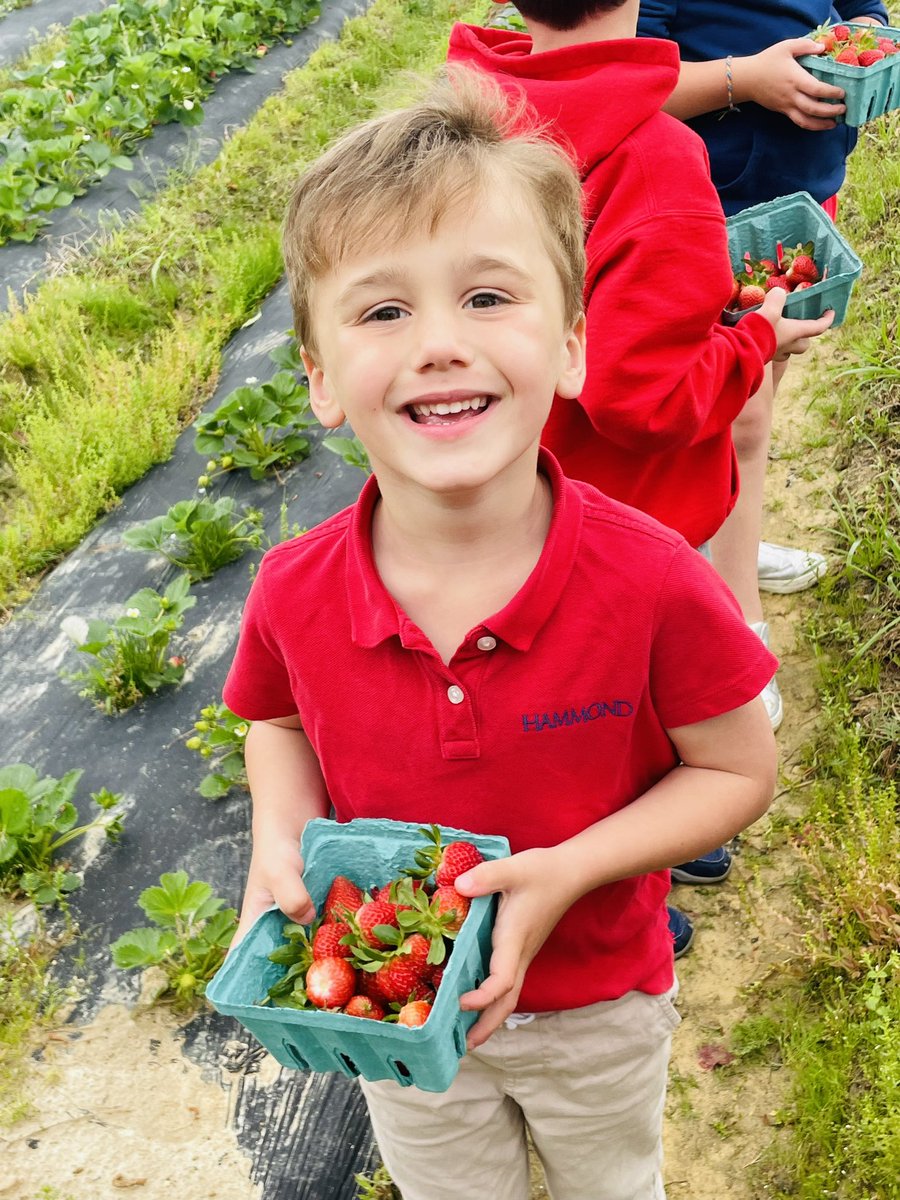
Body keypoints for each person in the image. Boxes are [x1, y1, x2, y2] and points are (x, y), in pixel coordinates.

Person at [223, 72, 778, 1199]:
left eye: (488, 298)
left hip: (598, 1006)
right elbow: (275, 719)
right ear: (323, 380)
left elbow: (736, 769)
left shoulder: (654, 581)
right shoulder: (294, 592)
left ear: (572, 346)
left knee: (611, 1184)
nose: (438, 344)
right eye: (384, 311)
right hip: (403, 1021)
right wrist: (279, 839)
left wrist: (569, 872)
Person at [446, 0, 832, 942]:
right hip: (625, 516)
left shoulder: (477, 108)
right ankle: (628, 884)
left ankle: (600, 859)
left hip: (522, 484)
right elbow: (643, 400)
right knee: (626, 712)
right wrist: (751, 342)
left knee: (553, 692)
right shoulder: (655, 159)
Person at [636, 0, 889, 728]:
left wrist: (865, 36)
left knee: (761, 392)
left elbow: (859, 7)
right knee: (734, 412)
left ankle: (729, 548)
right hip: (714, 206)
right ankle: (734, 629)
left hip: (803, 188)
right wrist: (745, 80)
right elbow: (634, 79)